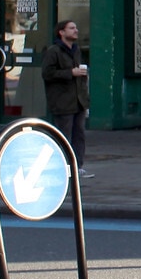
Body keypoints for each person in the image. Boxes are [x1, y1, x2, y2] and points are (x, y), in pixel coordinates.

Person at [40, 20, 91, 172]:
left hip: (78, 101)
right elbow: (47, 73)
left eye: (76, 27)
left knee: (79, 135)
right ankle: (62, 167)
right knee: (64, 136)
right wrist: (70, 73)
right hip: (62, 101)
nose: (76, 30)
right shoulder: (54, 51)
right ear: (61, 32)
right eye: (71, 28)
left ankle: (77, 167)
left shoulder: (76, 50)